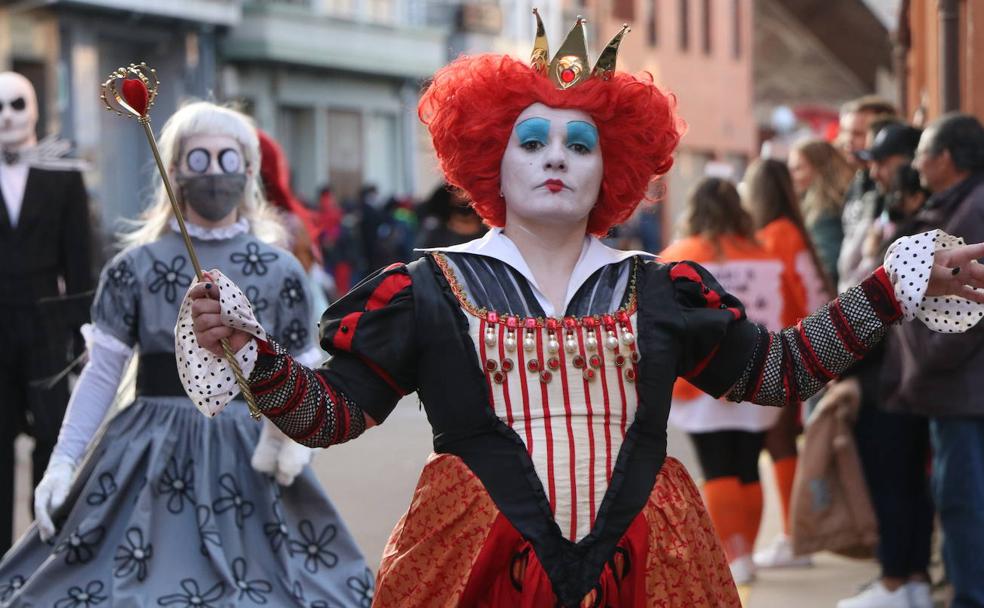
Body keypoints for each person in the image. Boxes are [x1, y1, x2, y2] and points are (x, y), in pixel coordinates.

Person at [184, 15, 984, 607]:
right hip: (479, 565)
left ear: (614, 168)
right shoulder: (423, 288)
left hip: (650, 561)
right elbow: (332, 418)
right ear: (491, 156)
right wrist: (250, 354)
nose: (557, 158)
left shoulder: (663, 288)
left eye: (580, 143)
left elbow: (775, 374)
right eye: (532, 140)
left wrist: (891, 290)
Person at [0, 102, 371, 607]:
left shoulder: (281, 270)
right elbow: (103, 372)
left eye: (227, 159)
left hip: (250, 453)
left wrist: (293, 440)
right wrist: (63, 461)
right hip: (145, 455)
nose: (215, 172)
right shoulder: (133, 267)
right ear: (174, 170)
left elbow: (305, 368)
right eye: (200, 160)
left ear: (248, 170)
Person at [661, 177, 789, 584]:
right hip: (760, 373)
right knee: (748, 466)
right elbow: (796, 307)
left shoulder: (679, 256)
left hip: (700, 384)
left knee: (718, 468)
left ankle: (731, 557)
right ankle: (747, 553)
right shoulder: (767, 253)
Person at [880, 113, 984, 608]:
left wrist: (926, 354)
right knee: (960, 496)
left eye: (923, 152)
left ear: (945, 159)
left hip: (963, 386)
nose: (917, 163)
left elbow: (970, 306)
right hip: (958, 385)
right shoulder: (958, 203)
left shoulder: (973, 207)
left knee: (963, 499)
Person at [0, 71, 93, 555]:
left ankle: (41, 552)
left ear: (34, 109)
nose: (8, 117)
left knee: (53, 441)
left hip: (47, 328)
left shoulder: (64, 172)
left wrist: (82, 336)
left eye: (17, 104)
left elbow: (80, 259)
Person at [742, 158, 831, 570]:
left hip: (778, 353)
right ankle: (796, 539)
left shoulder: (775, 235)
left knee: (778, 445)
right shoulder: (792, 232)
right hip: (792, 352)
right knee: (779, 445)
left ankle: (796, 539)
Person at [788, 138, 853, 286]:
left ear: (820, 168)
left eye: (798, 169)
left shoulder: (824, 212)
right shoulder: (838, 200)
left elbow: (827, 265)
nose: (791, 176)